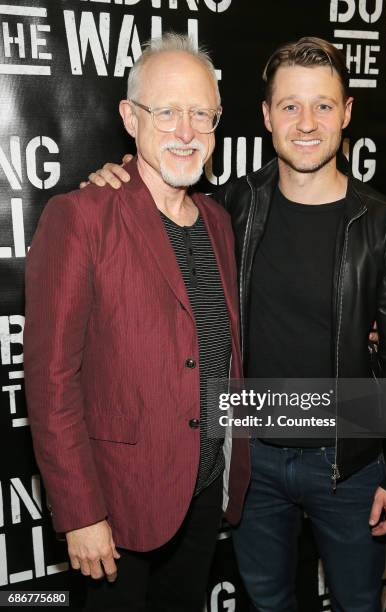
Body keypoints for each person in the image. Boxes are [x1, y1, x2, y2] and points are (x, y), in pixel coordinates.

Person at [85, 36, 386, 612]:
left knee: (358, 604)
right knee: (266, 602)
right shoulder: (231, 208)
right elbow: (157, 201)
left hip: (349, 463)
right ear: (266, 116)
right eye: (290, 105)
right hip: (253, 459)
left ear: (346, 114)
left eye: (323, 105)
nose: (307, 122)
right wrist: (117, 176)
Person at [24, 33, 249, 611]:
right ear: (130, 117)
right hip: (116, 506)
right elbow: (51, 381)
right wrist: (81, 513)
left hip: (202, 494)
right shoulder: (80, 217)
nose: (184, 131)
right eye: (167, 111)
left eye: (202, 114)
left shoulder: (220, 222)